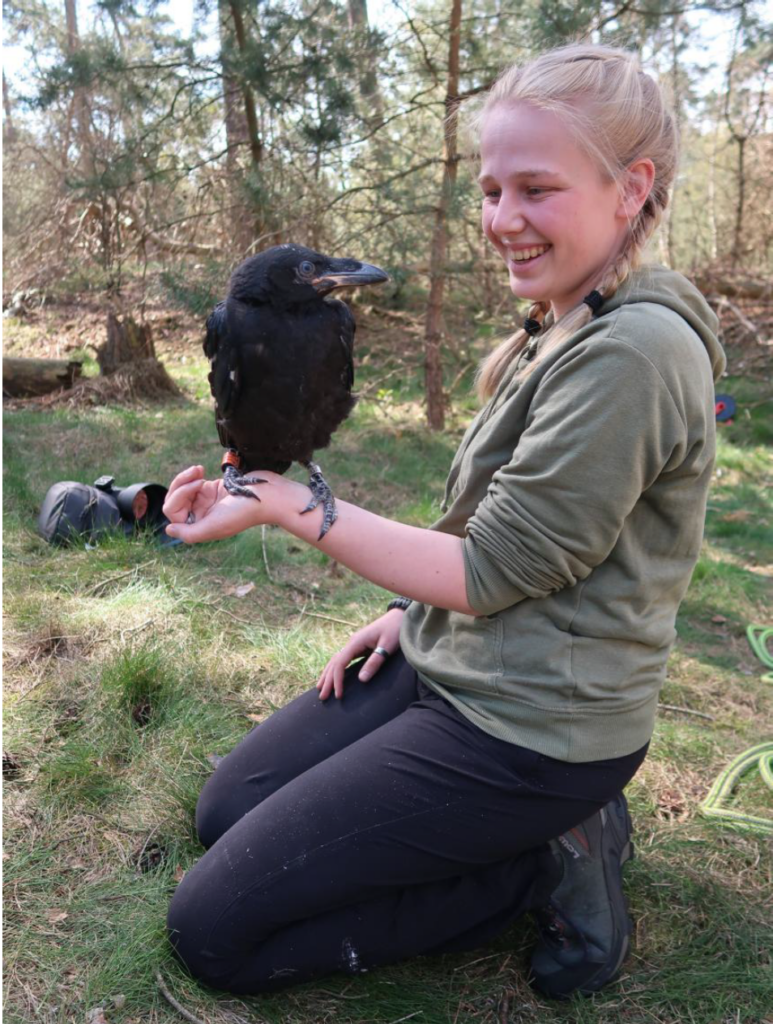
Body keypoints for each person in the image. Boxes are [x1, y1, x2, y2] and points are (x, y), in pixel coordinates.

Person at [162, 43, 725, 1000]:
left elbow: (490, 569)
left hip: (534, 731)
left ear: (630, 189)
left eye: (535, 189)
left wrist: (286, 504)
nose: (502, 220)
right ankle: (490, 831)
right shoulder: (567, 319)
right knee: (227, 811)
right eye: (491, 189)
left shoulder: (632, 353)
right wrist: (404, 619)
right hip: (458, 660)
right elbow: (502, 531)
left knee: (211, 935)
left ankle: (542, 857)